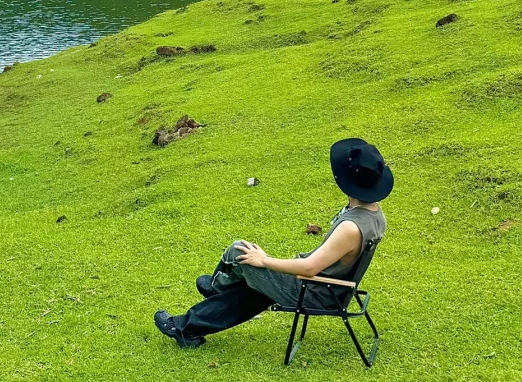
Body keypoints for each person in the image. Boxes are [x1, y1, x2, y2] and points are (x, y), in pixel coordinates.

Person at [153, 138, 393, 349]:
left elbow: (309, 268)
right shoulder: (374, 214)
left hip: (313, 291)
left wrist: (264, 260)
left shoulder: (350, 228)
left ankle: (218, 288)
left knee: (239, 250)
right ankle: (187, 328)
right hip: (328, 287)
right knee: (254, 287)